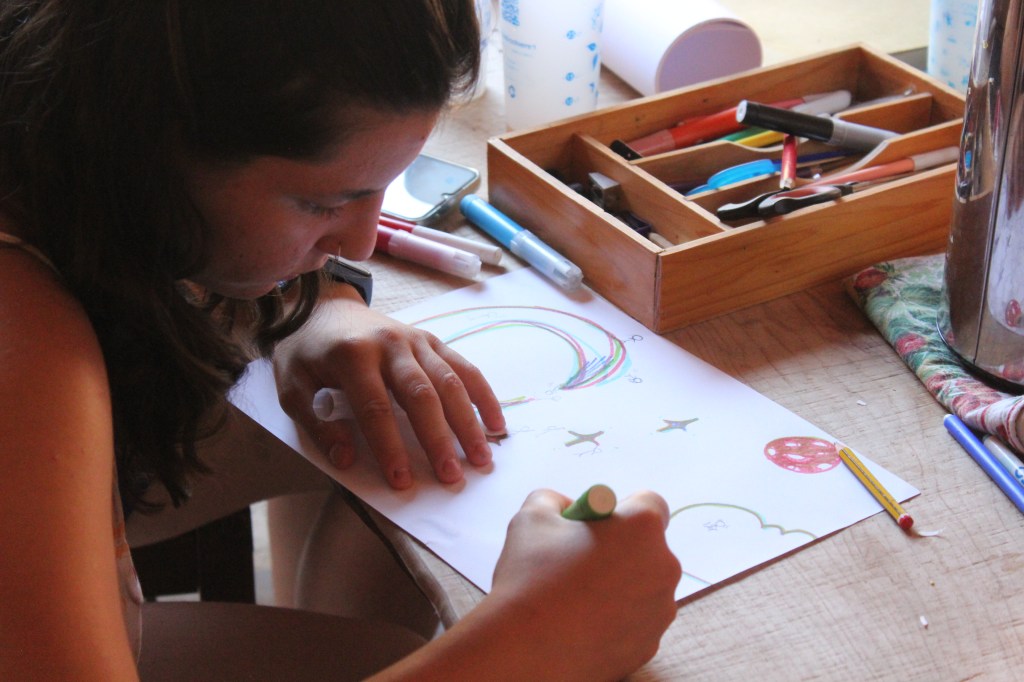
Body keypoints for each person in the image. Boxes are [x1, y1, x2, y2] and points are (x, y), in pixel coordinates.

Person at [0, 1, 682, 679]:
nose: (360, 243)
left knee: (377, 439)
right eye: (323, 203)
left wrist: (318, 299)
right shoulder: (26, 333)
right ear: (155, 143)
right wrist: (530, 642)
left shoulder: (62, 122)